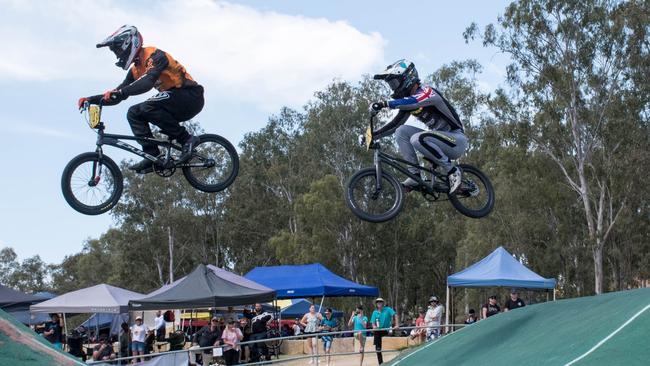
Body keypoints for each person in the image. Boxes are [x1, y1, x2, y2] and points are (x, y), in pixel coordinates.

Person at [77, 25, 204, 174]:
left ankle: (187, 139)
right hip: (173, 102)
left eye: (117, 50)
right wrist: (91, 99)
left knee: (147, 107)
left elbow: (148, 82)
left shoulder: (155, 55)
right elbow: (119, 94)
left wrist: (122, 92)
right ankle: (152, 155)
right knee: (134, 112)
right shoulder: (136, 70)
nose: (117, 55)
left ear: (129, 43)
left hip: (190, 96)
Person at [370, 59, 467, 192]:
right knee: (400, 131)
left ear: (408, 78)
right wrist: (371, 136)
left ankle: (453, 170)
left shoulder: (427, 92)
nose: (394, 87)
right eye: (391, 85)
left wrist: (385, 104)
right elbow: (394, 125)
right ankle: (414, 175)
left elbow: (414, 101)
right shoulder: (408, 103)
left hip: (456, 140)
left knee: (417, 138)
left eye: (394, 83)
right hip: (438, 141)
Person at [370, 298, 398, 365]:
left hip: (386, 330)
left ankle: (377, 345)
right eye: (377, 302)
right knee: (378, 348)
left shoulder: (387, 309)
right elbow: (373, 323)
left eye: (380, 302)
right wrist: (374, 327)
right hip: (378, 331)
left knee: (377, 335)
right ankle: (381, 363)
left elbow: (395, 315)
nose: (379, 303)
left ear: (383, 303)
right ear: (376, 304)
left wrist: (397, 324)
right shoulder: (374, 312)